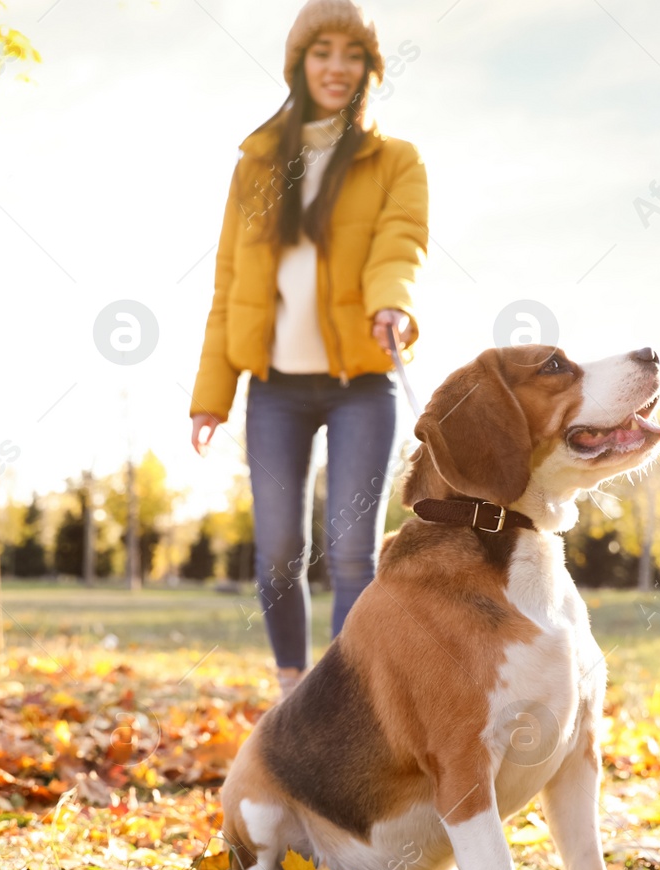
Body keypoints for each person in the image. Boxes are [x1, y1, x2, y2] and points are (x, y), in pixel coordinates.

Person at [189, 0, 428, 699]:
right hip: (275, 389)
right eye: (323, 52)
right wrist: (211, 396)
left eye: (353, 55)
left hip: (362, 382)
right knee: (276, 556)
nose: (337, 68)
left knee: (354, 552)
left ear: (369, 70)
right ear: (298, 62)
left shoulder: (396, 161)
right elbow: (229, 283)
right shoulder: (258, 165)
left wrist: (394, 304)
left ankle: (345, 697)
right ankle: (292, 688)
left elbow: (400, 246)